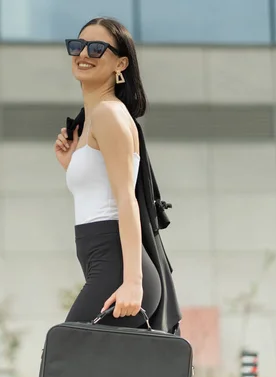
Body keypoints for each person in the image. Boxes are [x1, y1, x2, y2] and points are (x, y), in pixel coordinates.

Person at [54, 17, 162, 329]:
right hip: (105, 264)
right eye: (78, 46)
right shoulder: (95, 117)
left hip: (116, 269)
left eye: (98, 48)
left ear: (121, 63)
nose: (84, 53)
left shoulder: (108, 115)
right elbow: (99, 191)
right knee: (94, 374)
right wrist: (72, 163)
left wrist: (133, 283)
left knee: (65, 358)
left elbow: (126, 200)